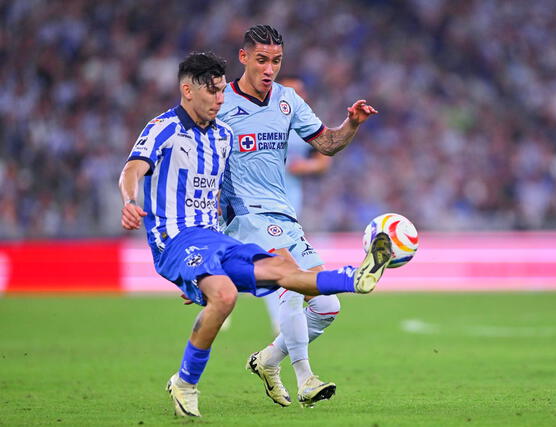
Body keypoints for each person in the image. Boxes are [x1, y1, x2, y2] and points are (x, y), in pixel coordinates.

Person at [118, 52, 392, 418]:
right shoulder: (163, 127)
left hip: (218, 236)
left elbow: (219, 196)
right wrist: (129, 199)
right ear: (188, 90)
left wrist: (205, 269)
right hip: (178, 236)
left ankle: (354, 278)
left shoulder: (222, 137)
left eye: (220, 92)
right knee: (236, 293)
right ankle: (193, 382)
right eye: (213, 92)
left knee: (285, 272)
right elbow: (133, 168)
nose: (219, 99)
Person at [217, 25, 379, 408]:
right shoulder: (221, 102)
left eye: (276, 61)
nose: (269, 68)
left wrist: (352, 124)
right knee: (291, 281)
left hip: (284, 215)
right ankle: (306, 378)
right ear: (243, 58)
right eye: (261, 60)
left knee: (326, 306)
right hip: (244, 216)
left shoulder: (287, 101)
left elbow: (328, 144)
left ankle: (269, 360)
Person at [260, 75, 332, 335]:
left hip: (291, 206)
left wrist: (307, 166)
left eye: (300, 91)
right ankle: (281, 324)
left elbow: (324, 158)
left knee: (280, 264)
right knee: (276, 262)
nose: (296, 96)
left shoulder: (305, 126)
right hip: (259, 208)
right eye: (291, 91)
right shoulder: (259, 122)